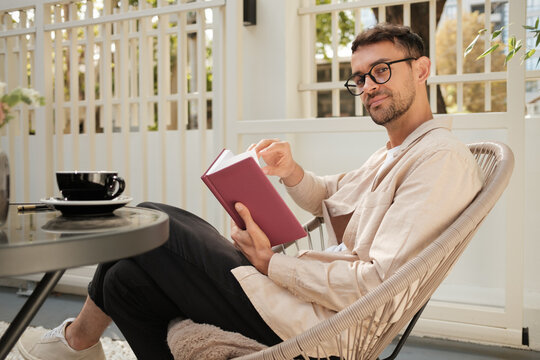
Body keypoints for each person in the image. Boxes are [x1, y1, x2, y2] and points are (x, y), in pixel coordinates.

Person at [17, 23, 483, 360]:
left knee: (153, 218)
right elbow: (329, 195)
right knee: (126, 283)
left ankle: (77, 342)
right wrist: (291, 170)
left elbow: (376, 285)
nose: (367, 87)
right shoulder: (392, 153)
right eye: (359, 78)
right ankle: (79, 343)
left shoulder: (437, 159)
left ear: (421, 69)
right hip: (294, 295)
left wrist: (269, 262)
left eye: (380, 71)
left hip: (319, 326)